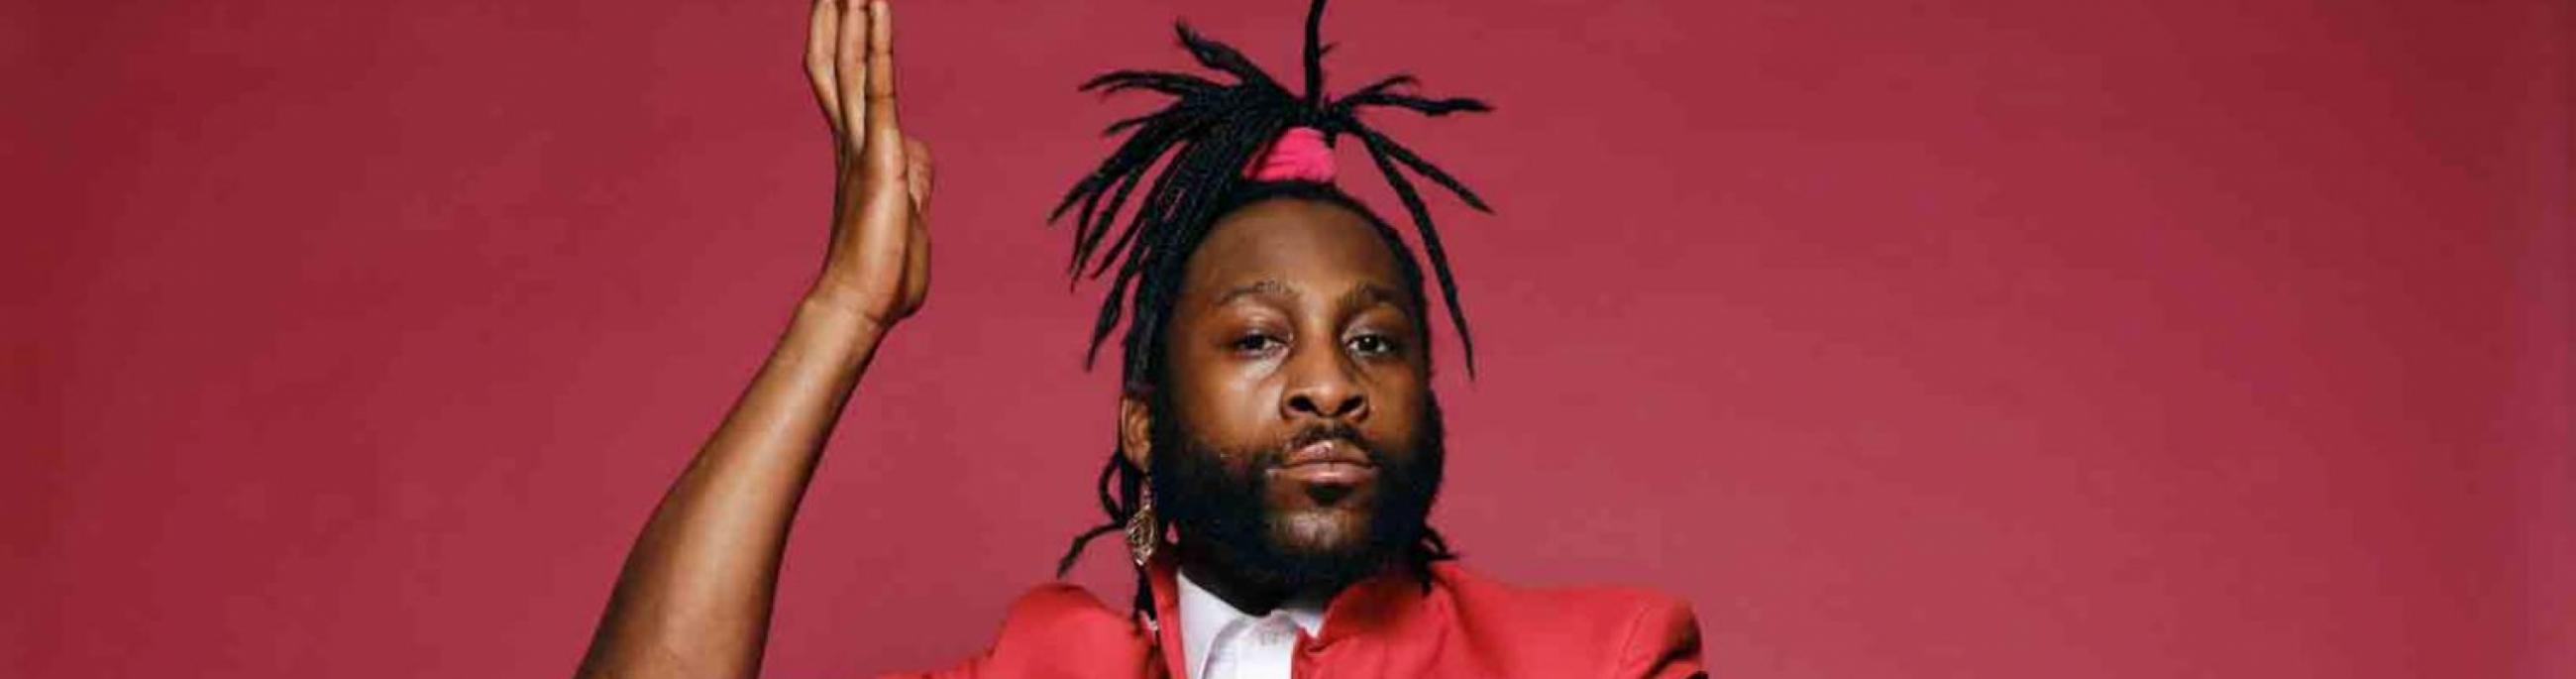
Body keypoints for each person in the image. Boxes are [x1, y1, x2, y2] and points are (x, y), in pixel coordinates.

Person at [571, 1, 1706, 677]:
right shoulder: (1041, 668)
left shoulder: (1599, 659)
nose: (1327, 383)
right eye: (1259, 338)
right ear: (1144, 421)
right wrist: (842, 311)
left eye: (1373, 344)